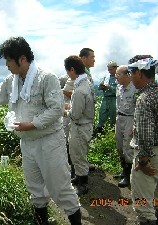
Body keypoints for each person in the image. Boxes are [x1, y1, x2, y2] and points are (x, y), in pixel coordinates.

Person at [0, 37, 82, 225]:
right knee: (35, 188)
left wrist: (31, 124)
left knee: (60, 188)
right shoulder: (12, 81)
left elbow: (56, 110)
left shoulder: (46, 78)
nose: (6, 65)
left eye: (8, 60)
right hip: (27, 142)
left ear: (22, 59)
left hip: (49, 141)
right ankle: (40, 221)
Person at [128, 55, 158, 225]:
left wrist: (143, 161)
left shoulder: (144, 98)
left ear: (140, 73)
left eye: (131, 73)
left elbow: (145, 133)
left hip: (149, 157)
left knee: (144, 207)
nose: (130, 77)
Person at [64, 55, 95, 196]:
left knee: (79, 155)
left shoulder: (79, 90)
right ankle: (78, 177)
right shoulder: (86, 83)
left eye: (67, 72)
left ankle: (83, 184)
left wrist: (64, 111)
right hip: (84, 124)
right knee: (77, 153)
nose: (67, 75)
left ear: (72, 70)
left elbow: (75, 114)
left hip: (80, 126)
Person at [114, 65, 137, 188]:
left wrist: (135, 125)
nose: (116, 77)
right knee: (119, 146)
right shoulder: (119, 87)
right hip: (120, 117)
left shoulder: (135, 89)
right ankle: (124, 171)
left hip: (130, 118)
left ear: (127, 75)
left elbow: (138, 109)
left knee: (128, 147)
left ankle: (129, 176)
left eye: (118, 74)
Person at [97, 61, 118, 133]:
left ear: (116, 68)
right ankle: (99, 130)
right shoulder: (107, 77)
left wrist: (110, 87)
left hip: (113, 98)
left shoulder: (118, 77)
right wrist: (101, 86)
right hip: (105, 98)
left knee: (113, 115)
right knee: (102, 114)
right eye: (108, 69)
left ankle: (113, 131)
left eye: (111, 69)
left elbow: (119, 90)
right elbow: (100, 88)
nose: (109, 71)